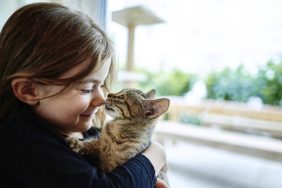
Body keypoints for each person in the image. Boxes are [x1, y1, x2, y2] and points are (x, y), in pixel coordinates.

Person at [0, 3, 168, 188]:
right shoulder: (20, 140)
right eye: (87, 88)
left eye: (102, 84)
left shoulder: (88, 131)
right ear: (29, 91)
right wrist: (155, 155)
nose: (103, 99)